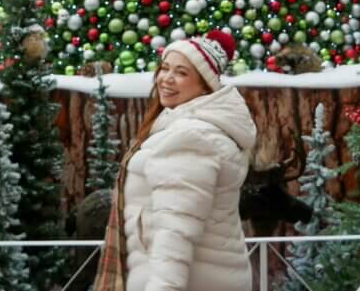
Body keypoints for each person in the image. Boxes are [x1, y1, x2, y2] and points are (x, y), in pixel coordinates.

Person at [94, 30, 257, 291]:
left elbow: (174, 232)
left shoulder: (191, 137)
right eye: (165, 68)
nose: (166, 79)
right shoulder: (190, 129)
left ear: (205, 85)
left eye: (181, 73)